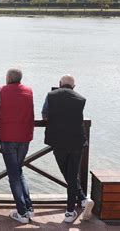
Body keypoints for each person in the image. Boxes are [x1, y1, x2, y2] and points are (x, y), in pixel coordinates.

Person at [42, 74, 94, 223]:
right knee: (72, 176)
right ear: (74, 87)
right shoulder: (81, 99)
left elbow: (45, 115)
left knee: (69, 177)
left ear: (59, 84)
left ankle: (71, 211)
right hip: (78, 142)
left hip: (59, 142)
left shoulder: (51, 95)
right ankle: (83, 200)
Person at [0, 68, 34, 224]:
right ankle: (29, 208)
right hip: (25, 137)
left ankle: (22, 212)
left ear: (9, 78)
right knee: (18, 170)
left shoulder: (1, 90)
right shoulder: (29, 91)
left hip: (7, 136)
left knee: (13, 175)